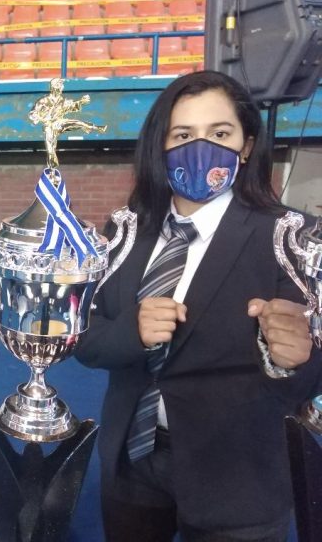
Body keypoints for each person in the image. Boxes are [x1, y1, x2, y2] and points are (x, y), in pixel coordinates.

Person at [74, 70, 321, 542]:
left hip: (238, 478)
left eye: (220, 134)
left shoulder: (289, 238)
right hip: (133, 461)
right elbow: (85, 340)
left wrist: (294, 359)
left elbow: (309, 376)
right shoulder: (124, 232)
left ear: (246, 146)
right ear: (160, 145)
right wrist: (132, 330)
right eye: (183, 135)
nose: (201, 147)